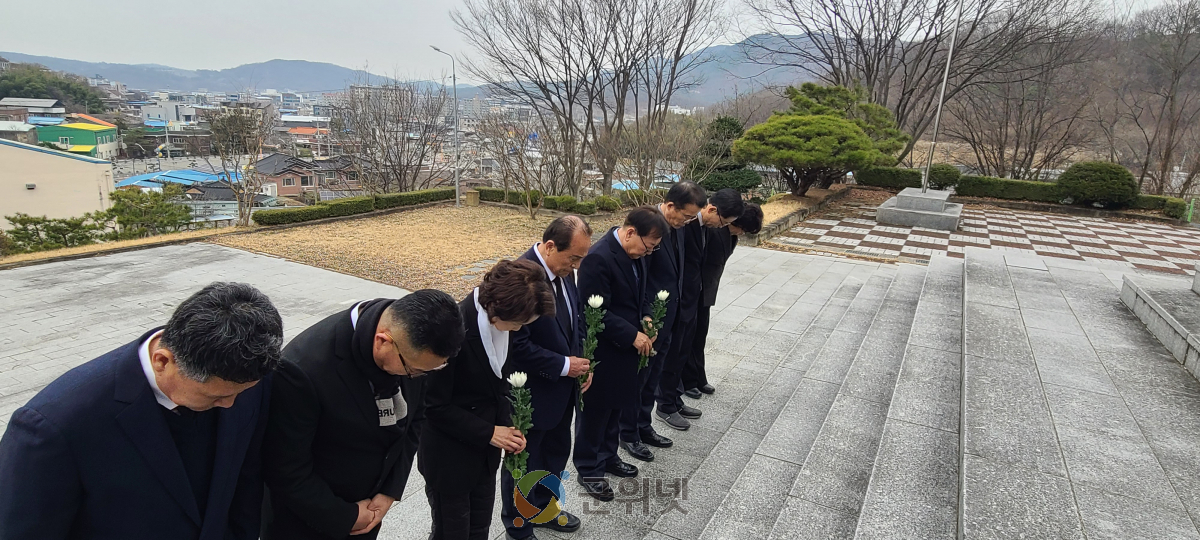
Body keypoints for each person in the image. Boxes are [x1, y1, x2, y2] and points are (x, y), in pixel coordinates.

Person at [0, 282, 283, 540]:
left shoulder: (245, 375)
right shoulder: (54, 427)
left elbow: (245, 483)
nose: (231, 404)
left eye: (239, 393)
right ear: (163, 362)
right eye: (215, 397)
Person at [262, 290, 465, 540]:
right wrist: (346, 516)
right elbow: (285, 469)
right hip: (308, 522)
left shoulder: (415, 353)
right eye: (413, 370)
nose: (416, 377)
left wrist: (389, 491)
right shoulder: (302, 370)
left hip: (367, 515)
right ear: (383, 341)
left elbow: (416, 419)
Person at [419, 259, 556, 540]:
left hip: (483, 454)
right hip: (449, 458)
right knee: (451, 533)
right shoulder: (452, 329)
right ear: (497, 307)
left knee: (479, 529)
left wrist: (508, 427)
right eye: (517, 323)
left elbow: (496, 388)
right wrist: (490, 432)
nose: (517, 330)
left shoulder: (502, 326)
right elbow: (433, 406)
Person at [501, 216, 594, 540]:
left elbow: (575, 319)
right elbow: (516, 344)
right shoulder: (520, 277)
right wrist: (563, 365)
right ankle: (518, 524)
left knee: (554, 453)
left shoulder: (565, 272)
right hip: (531, 390)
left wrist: (582, 363)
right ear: (551, 246)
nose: (577, 266)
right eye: (574, 258)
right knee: (524, 461)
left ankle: (543, 508)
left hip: (562, 389)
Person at [574, 206, 670, 501]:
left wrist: (647, 316)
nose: (648, 253)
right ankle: (589, 467)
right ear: (630, 233)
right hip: (604, 348)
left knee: (616, 405)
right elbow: (594, 310)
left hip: (627, 347)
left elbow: (641, 293)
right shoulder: (599, 258)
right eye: (648, 246)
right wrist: (631, 334)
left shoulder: (636, 255)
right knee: (596, 411)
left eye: (653, 249)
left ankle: (608, 455)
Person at [620, 181, 706, 456]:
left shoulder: (678, 228)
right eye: (686, 215)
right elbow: (640, 279)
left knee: (652, 378)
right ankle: (628, 433)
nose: (688, 221)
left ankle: (644, 425)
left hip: (669, 317)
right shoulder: (647, 228)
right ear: (670, 206)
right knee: (637, 380)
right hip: (647, 320)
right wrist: (645, 318)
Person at [656, 188, 744, 420]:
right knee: (671, 355)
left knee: (683, 351)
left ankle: (675, 399)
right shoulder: (685, 223)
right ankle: (665, 404)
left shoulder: (703, 226)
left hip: (693, 300)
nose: (722, 227)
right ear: (712, 209)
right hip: (677, 300)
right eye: (723, 222)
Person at [683, 203, 763, 398]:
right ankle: (687, 381)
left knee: (700, 335)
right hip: (695, 289)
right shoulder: (715, 230)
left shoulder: (730, 235)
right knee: (689, 337)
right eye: (742, 229)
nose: (742, 233)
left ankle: (698, 377)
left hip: (707, 290)